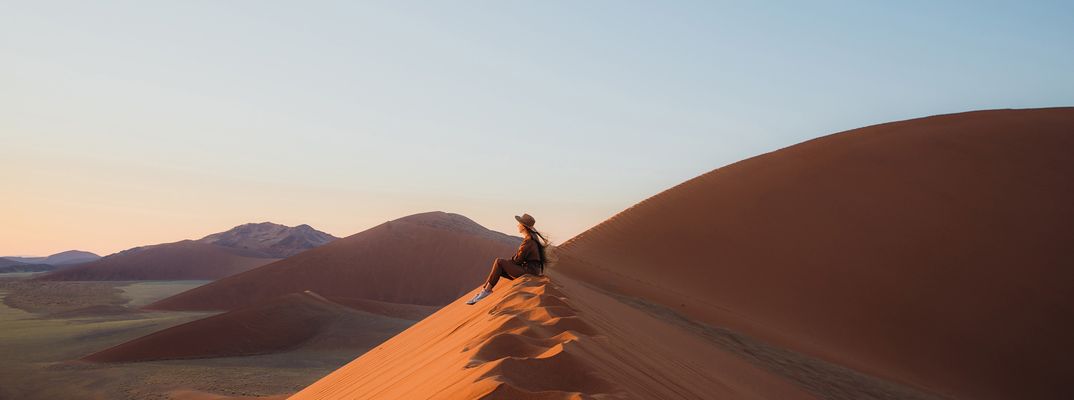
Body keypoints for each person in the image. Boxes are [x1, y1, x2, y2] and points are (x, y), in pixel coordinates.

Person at [466, 213, 549, 305]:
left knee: (499, 262)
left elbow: (517, 260)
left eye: (519, 223)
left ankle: (486, 291)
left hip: (529, 272)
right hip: (532, 271)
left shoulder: (529, 241)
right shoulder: (532, 239)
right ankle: (485, 290)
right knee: (500, 267)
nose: (517, 225)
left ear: (523, 226)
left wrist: (508, 262)